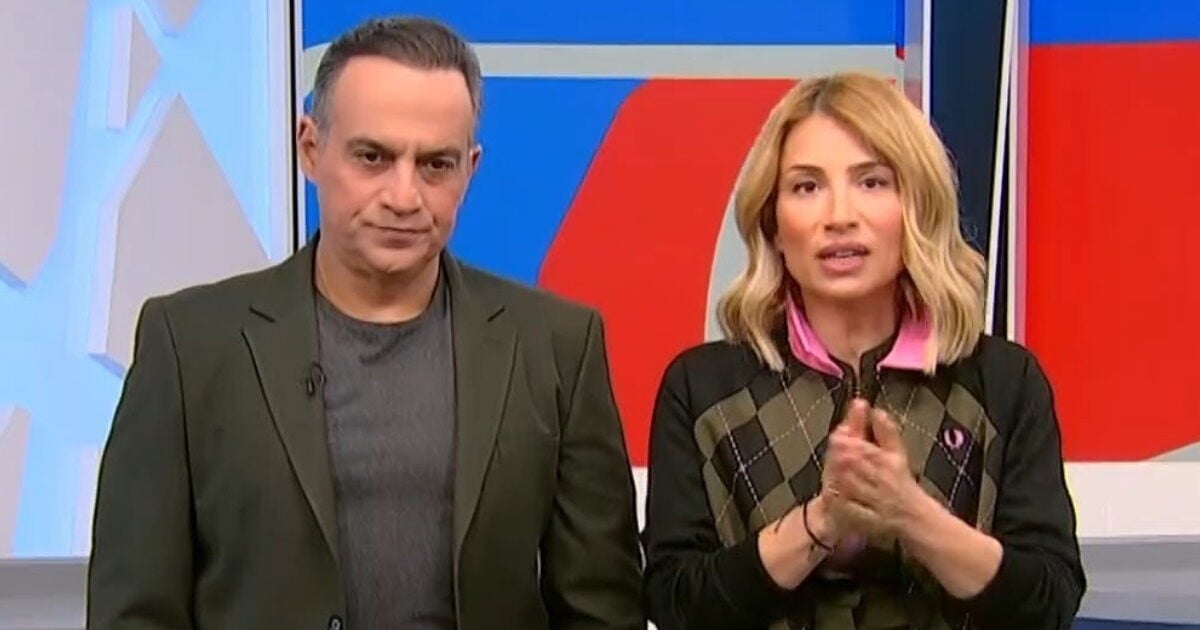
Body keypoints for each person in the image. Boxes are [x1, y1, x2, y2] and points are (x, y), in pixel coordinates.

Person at [87, 16, 643, 630]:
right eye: (373, 157)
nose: (404, 196)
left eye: (435, 165)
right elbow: (134, 610)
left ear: (471, 169)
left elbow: (601, 609)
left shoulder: (557, 347)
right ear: (310, 148)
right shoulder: (188, 345)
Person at [641, 72, 1085, 630]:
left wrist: (912, 515)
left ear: (917, 207)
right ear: (772, 223)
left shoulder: (1003, 382)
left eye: (872, 182)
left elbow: (1049, 601)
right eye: (807, 187)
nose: (839, 216)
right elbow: (675, 602)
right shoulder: (702, 389)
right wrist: (820, 522)